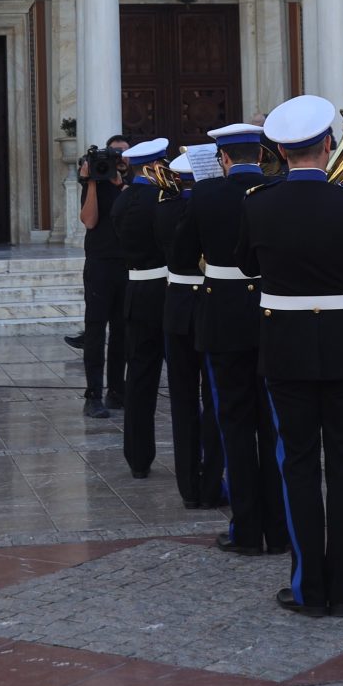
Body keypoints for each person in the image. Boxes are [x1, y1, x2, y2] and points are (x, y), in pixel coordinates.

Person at [242, 94, 343, 617]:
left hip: (286, 345)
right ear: (328, 145)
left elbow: (245, 265)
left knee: (297, 463)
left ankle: (308, 587)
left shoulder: (257, 202)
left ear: (278, 149)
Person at [190, 122, 283, 556]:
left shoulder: (204, 195)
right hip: (273, 316)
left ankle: (246, 529)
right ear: (261, 156)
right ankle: (280, 528)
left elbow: (184, 249)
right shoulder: (277, 192)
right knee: (275, 428)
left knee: (236, 427)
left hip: (223, 316)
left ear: (223, 158)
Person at [159, 149, 222, 510]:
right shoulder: (215, 207)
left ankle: (188, 485)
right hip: (209, 307)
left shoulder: (162, 209)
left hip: (177, 307)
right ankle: (212, 482)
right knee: (213, 400)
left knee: (182, 402)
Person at [113, 137, 173, 480]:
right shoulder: (164, 200)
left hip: (136, 291)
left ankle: (138, 457)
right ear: (156, 166)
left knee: (138, 378)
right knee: (180, 377)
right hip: (166, 290)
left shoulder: (122, 204)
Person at [78, 135, 131, 417]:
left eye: (122, 153)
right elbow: (89, 220)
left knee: (122, 331)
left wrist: (120, 184)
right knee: (96, 330)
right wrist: (93, 183)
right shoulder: (93, 181)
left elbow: (132, 214)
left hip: (125, 263)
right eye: (113, 153)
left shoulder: (133, 184)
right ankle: (93, 395)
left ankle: (117, 391)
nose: (117, 158)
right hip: (99, 263)